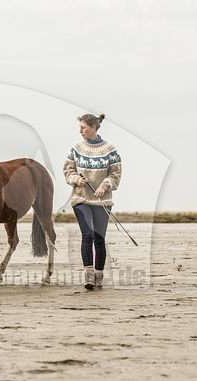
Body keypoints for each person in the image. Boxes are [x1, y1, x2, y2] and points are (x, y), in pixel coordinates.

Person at [63, 114, 122, 289]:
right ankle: (88, 276)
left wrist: (105, 185)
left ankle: (99, 276)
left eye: (83, 127)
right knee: (87, 235)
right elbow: (68, 171)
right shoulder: (76, 148)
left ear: (93, 127)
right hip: (81, 199)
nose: (80, 131)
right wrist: (75, 179)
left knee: (99, 238)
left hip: (102, 201)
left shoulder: (110, 149)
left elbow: (115, 174)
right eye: (80, 127)